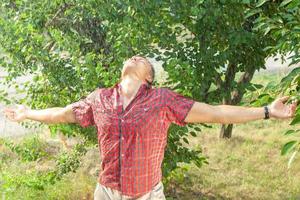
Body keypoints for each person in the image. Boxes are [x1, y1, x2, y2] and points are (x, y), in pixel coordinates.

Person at [3, 55, 298, 200]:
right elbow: (61, 114)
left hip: (146, 194)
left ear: (149, 78)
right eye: (133, 57)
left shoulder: (162, 99)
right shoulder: (99, 98)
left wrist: (266, 112)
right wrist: (28, 112)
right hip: (106, 192)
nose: (135, 57)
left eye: (142, 59)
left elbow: (217, 113)